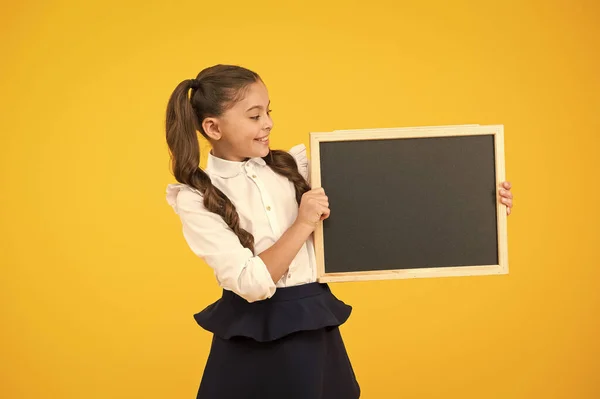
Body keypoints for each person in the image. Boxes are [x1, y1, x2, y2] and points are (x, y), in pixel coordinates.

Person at [164, 64, 514, 399]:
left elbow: (397, 192)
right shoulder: (195, 198)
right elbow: (251, 283)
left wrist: (479, 199)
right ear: (213, 128)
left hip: (312, 326)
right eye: (254, 116)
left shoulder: (295, 167)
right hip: (252, 337)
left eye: (269, 112)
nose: (268, 123)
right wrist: (303, 223)